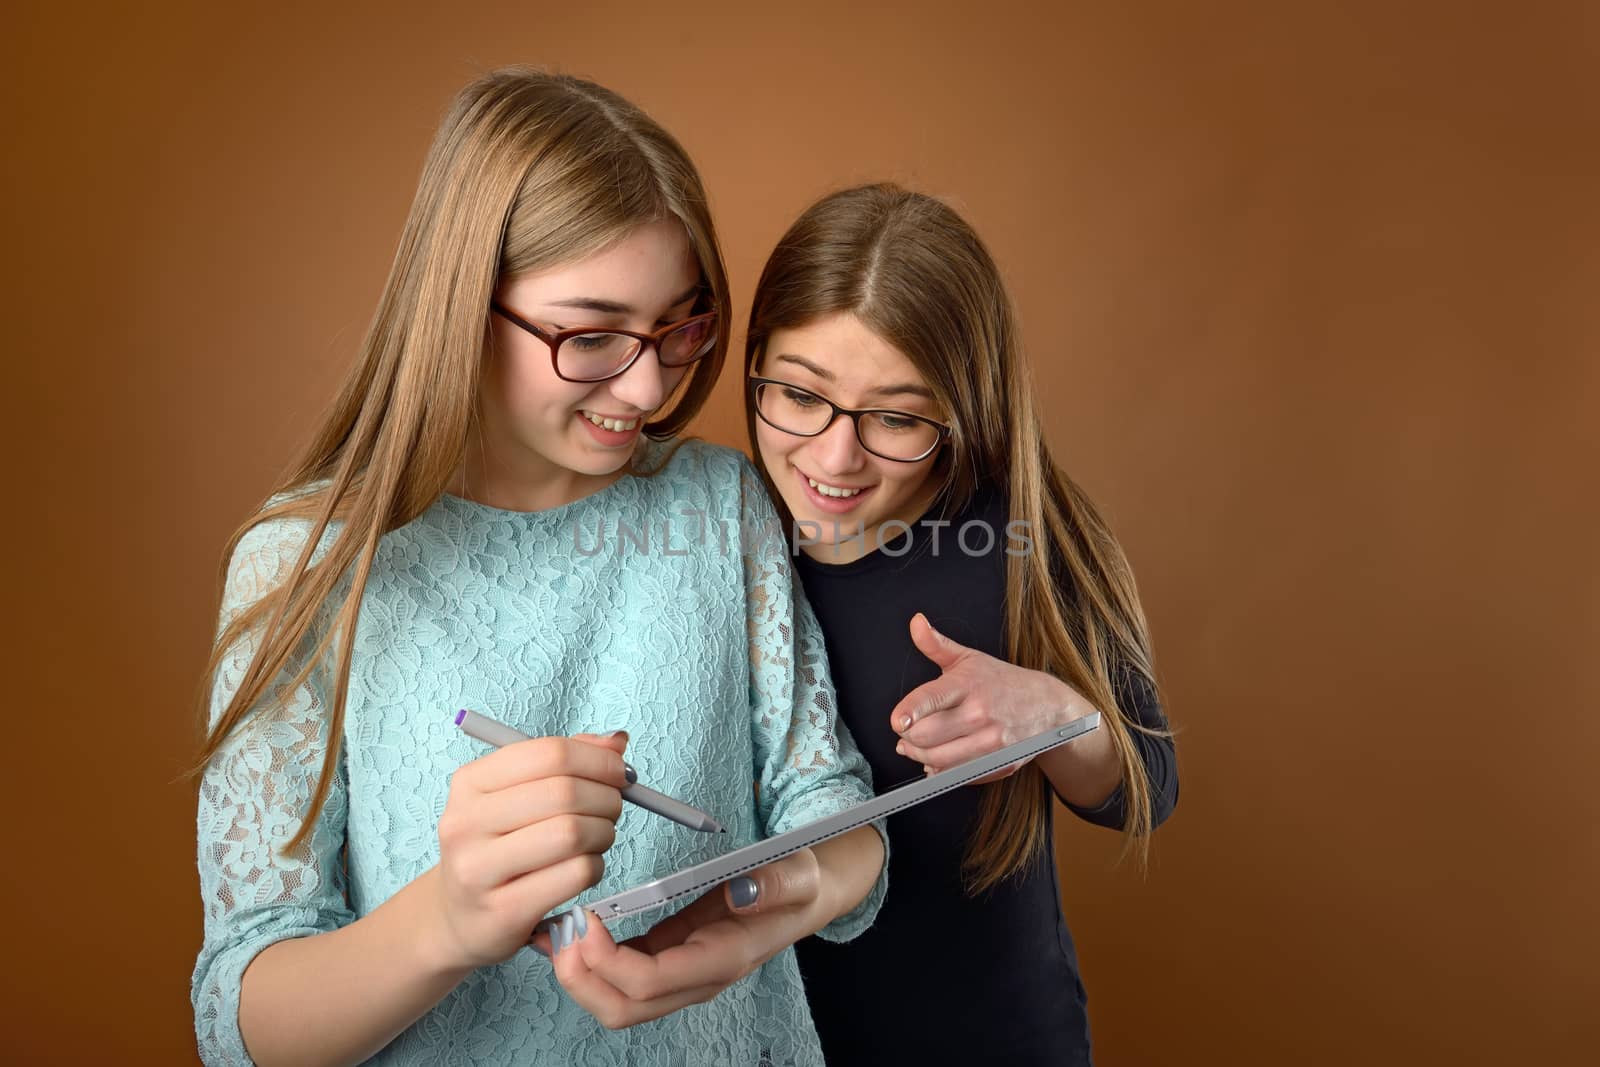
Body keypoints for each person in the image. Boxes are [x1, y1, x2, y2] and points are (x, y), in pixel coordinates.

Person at [190, 68, 887, 1067]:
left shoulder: (718, 502)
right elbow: (242, 1021)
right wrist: (446, 919)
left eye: (676, 325)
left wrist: (779, 903)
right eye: (593, 334)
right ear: (466, 305)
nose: (646, 385)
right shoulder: (300, 567)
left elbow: (833, 803)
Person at [742, 183, 1180, 1065]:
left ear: (962, 412)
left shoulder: (1021, 544)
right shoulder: (717, 530)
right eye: (797, 395)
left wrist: (1056, 717)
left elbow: (1148, 788)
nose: (834, 457)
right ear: (755, 362)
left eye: (897, 418)